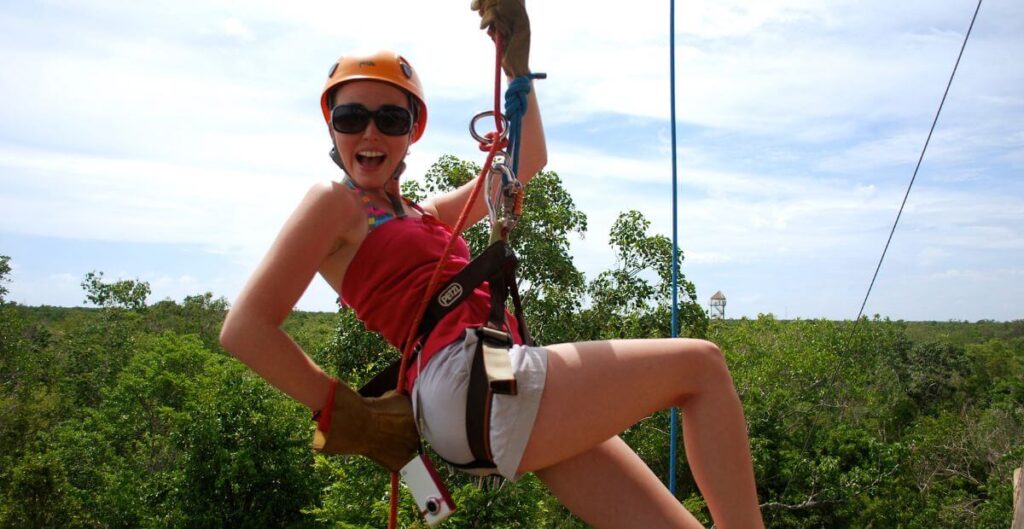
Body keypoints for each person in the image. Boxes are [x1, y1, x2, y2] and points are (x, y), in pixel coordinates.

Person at [220, 2, 765, 528]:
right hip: (466, 382)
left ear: (413, 130)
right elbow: (244, 328)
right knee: (702, 367)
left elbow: (527, 162)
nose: (369, 133)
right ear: (331, 126)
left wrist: (519, 71)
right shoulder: (335, 204)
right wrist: (348, 415)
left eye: (390, 118)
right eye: (351, 116)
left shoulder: (424, 214)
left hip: (490, 380)